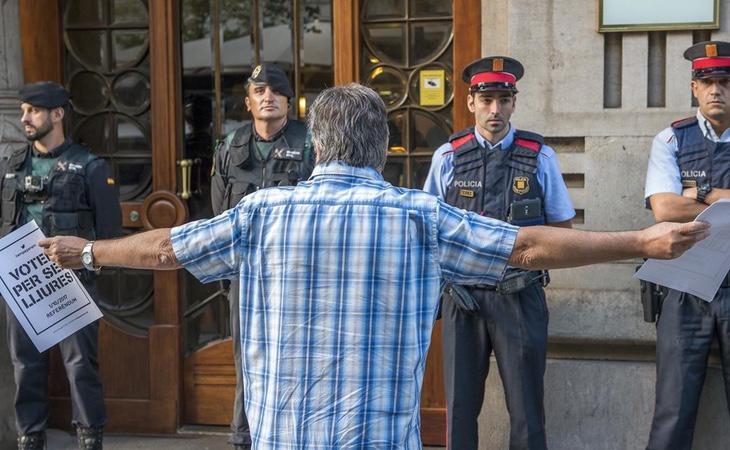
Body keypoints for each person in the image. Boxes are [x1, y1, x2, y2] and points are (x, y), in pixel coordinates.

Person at [39, 83, 708, 450]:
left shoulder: (263, 214)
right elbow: (527, 246)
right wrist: (640, 243)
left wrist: (86, 251)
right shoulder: (420, 216)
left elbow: (163, 248)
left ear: (318, 146)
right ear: (384, 147)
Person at [423, 56, 574, 450]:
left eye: (504, 99)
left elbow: (561, 230)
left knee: (527, 411)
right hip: (463, 298)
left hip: (519, 297)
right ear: (470, 102)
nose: (495, 109)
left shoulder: (538, 155)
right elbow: (427, 229)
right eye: (487, 99)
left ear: (513, 103)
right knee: (459, 409)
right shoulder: (448, 157)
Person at [0, 81, 122, 450]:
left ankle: (89, 437)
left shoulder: (89, 166)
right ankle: (29, 436)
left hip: (72, 282)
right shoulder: (11, 165)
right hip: (22, 284)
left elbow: (110, 232)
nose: (25, 118)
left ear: (57, 114)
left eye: (33, 111)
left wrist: (93, 265)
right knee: (25, 365)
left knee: (80, 364)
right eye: (22, 110)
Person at [210, 63, 314, 450]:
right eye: (259, 91)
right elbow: (220, 215)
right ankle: (244, 439)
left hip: (299, 276)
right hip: (247, 275)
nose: (267, 97)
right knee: (247, 361)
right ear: (248, 101)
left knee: (298, 360)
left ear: (290, 100)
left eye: (275, 91)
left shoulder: (311, 143)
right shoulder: (230, 146)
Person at [644, 41, 730, 450]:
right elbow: (664, 207)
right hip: (685, 286)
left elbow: (681, 202)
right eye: (707, 81)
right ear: (694, 88)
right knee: (673, 411)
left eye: (725, 82)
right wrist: (719, 195)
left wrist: (696, 194)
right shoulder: (671, 139)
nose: (717, 90)